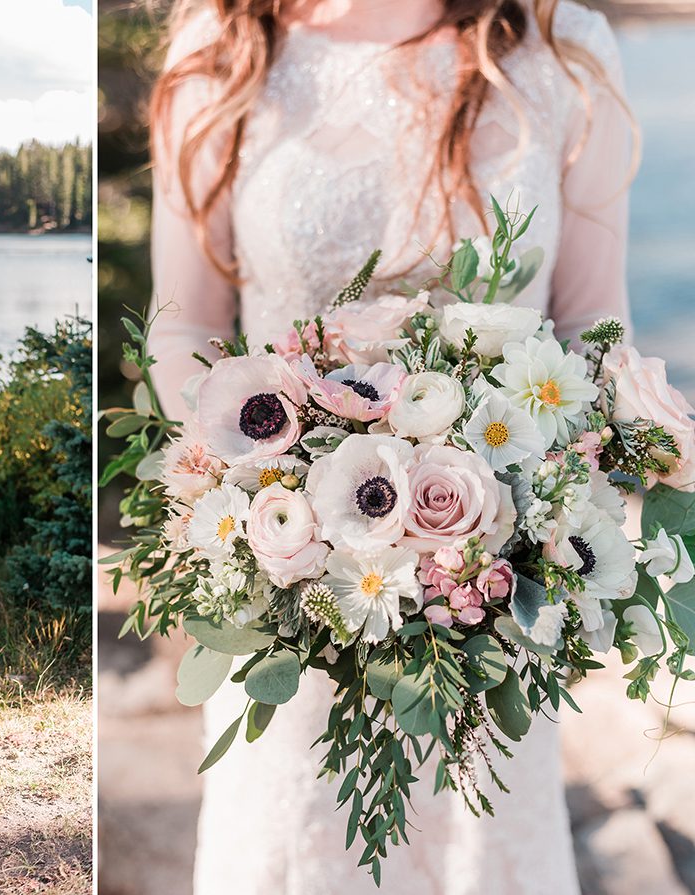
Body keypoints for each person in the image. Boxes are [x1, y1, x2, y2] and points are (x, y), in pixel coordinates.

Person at [147, 0, 633, 892]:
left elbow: (595, 330)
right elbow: (182, 331)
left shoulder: (560, 46)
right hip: (293, 601)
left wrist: (532, 523)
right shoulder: (223, 47)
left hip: (489, 615)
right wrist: (261, 503)